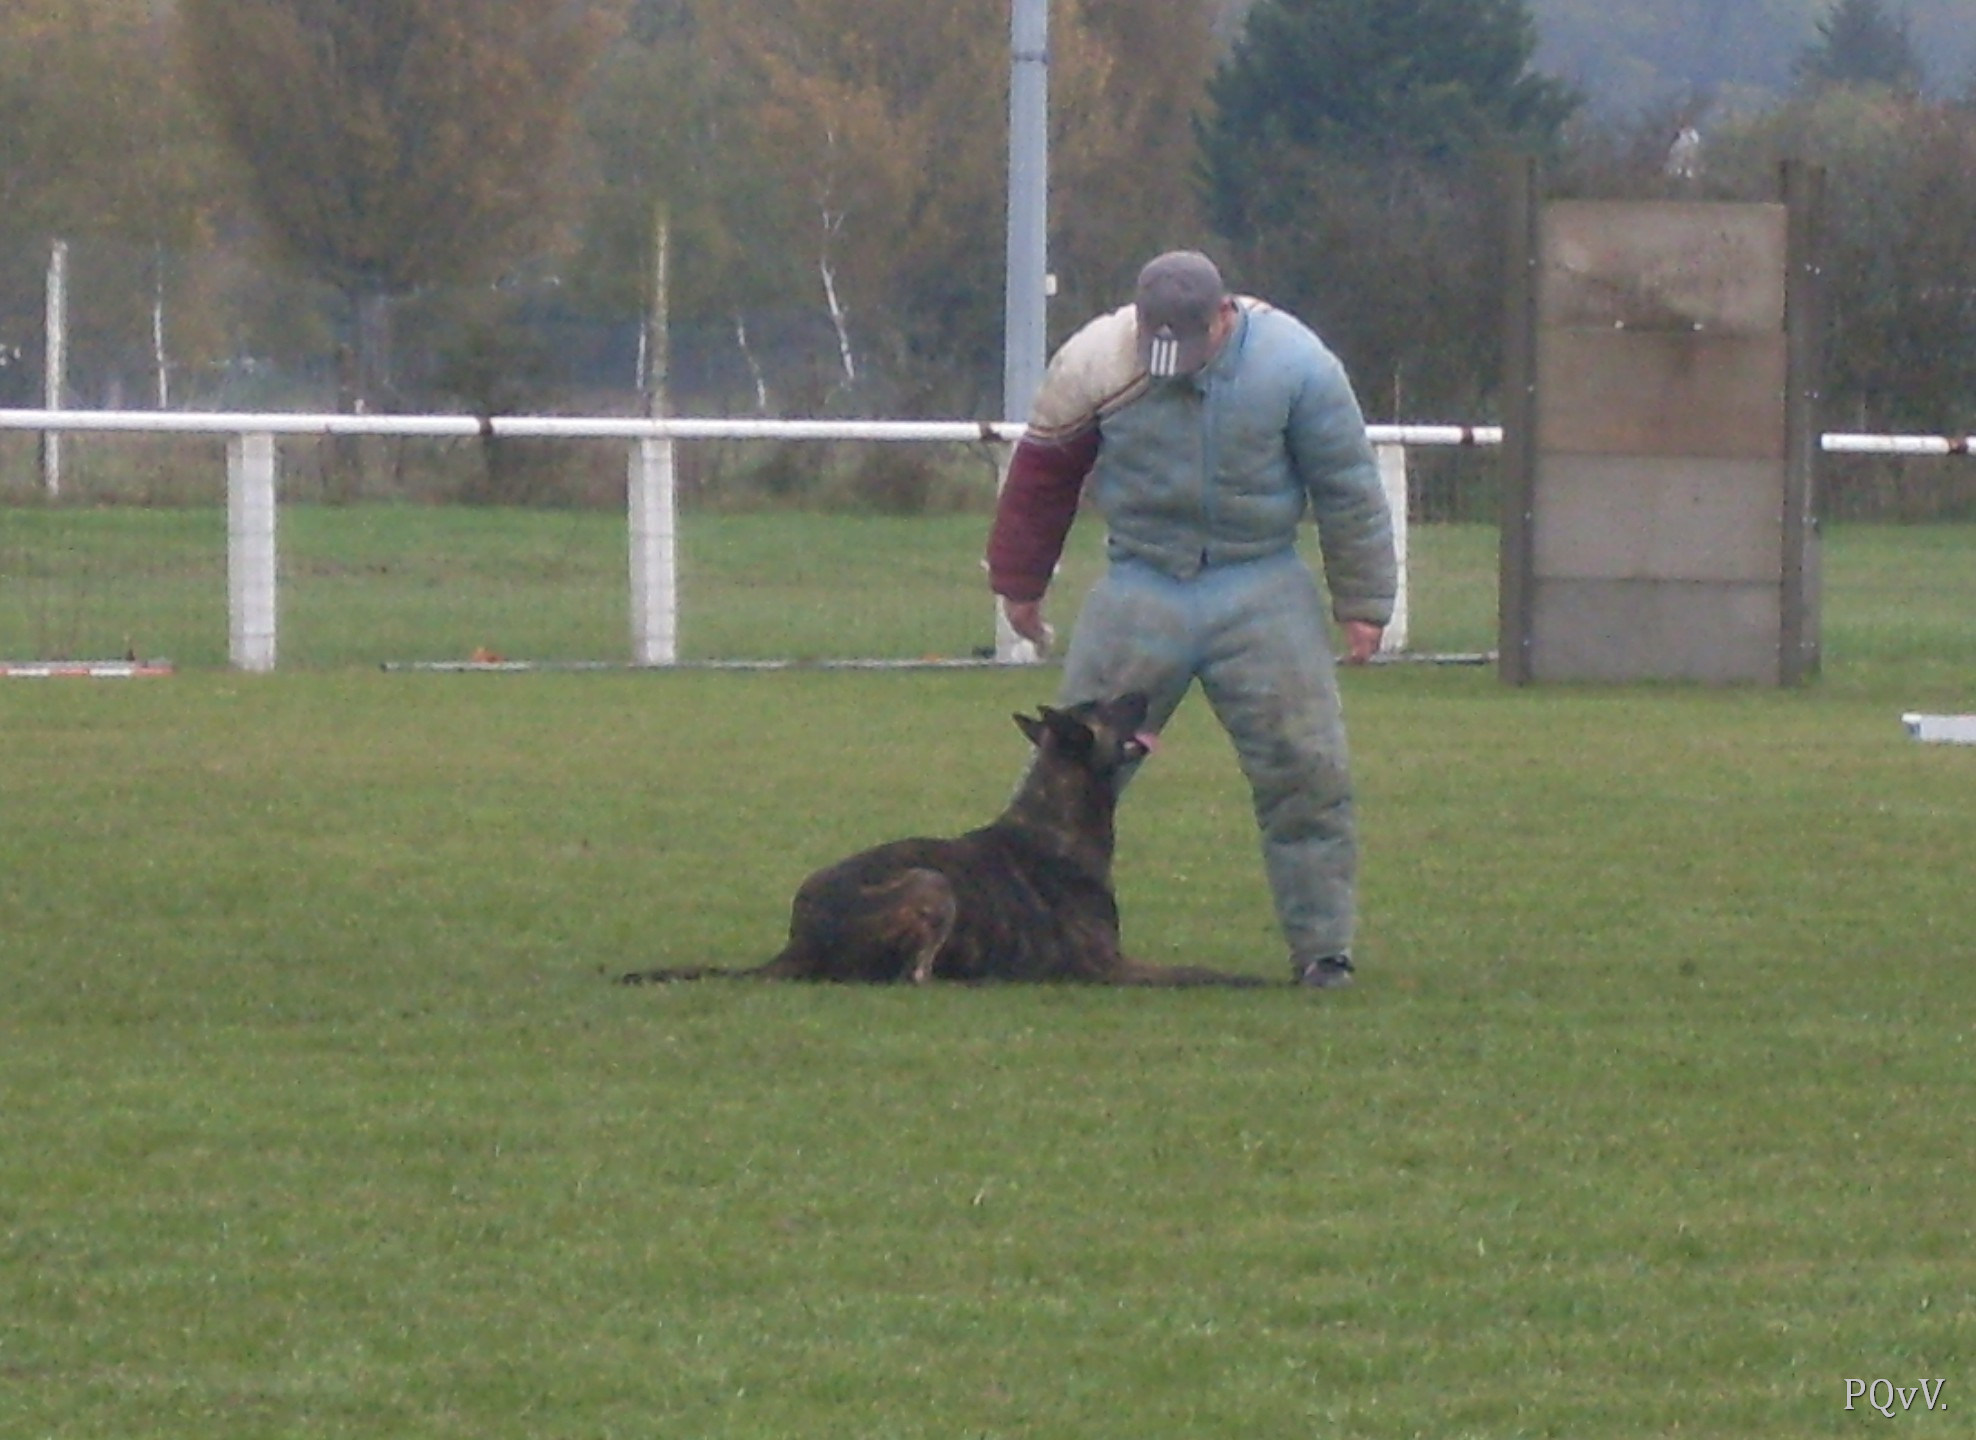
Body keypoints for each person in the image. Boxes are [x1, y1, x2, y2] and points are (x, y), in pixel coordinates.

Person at [986, 250, 1396, 989]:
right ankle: (1030, 936)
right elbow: (1043, 474)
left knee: (1306, 770)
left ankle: (1323, 950)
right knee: (1065, 771)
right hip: (1140, 583)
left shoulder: (1298, 365)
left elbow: (1346, 486)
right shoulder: (1094, 363)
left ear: (1224, 316)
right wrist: (1019, 581)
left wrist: (1363, 601)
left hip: (1261, 585)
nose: (1168, 363)